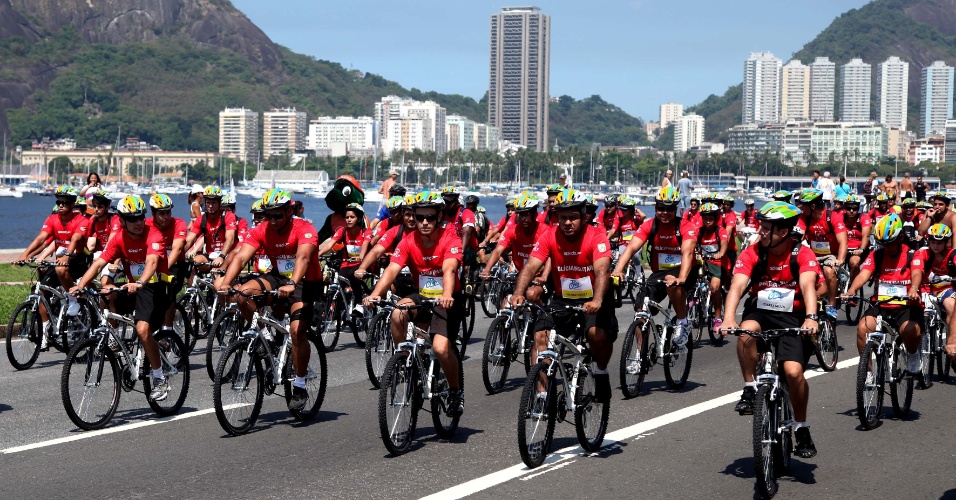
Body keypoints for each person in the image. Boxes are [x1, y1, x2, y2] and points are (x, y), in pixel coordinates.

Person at [720, 201, 819, 459]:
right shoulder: (752, 252)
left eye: (765, 228)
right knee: (745, 331)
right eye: (760, 227)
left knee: (793, 372)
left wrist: (810, 317)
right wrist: (728, 317)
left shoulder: (802, 254)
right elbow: (738, 286)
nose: (759, 232)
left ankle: (801, 427)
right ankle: (750, 387)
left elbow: (808, 286)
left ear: (783, 232)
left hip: (793, 316)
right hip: (761, 312)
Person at [217, 189, 322, 411]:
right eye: (269, 216)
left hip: (304, 282)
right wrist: (226, 282)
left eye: (278, 216)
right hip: (277, 277)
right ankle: (266, 338)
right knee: (242, 294)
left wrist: (293, 283)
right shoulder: (261, 229)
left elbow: (303, 257)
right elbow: (241, 256)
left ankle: (300, 385)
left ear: (289, 211)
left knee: (296, 332)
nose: (272, 221)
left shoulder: (305, 229)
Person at [364, 190, 465, 416]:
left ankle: (455, 390)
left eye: (430, 217)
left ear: (439, 216)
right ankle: (405, 361)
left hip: (448, 298)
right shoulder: (409, 240)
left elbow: (449, 268)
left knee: (440, 348)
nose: (424, 222)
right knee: (397, 313)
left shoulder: (451, 237)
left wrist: (447, 294)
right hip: (424, 294)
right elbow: (392, 268)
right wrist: (376, 293)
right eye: (420, 218)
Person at [510, 188, 616, 402]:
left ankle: (602, 371)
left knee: (595, 334)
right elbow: (530, 266)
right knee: (540, 336)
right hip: (563, 298)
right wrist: (518, 293)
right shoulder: (550, 235)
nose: (567, 222)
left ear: (584, 215)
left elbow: (602, 270)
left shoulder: (597, 236)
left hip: (595, 298)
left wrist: (596, 300)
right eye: (563, 217)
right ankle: (541, 395)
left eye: (573, 217)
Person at [70, 195, 173, 402]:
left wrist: (141, 282)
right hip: (133, 287)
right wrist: (80, 285)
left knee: (142, 330)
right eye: (132, 219)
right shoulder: (118, 238)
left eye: (140, 218)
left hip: (156, 287)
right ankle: (115, 337)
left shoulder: (154, 235)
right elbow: (99, 264)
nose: (138, 222)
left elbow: (152, 263)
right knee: (107, 293)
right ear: (123, 221)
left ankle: (160, 378)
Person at [612, 187, 698, 346]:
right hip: (660, 272)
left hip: (685, 270)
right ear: (655, 208)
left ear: (676, 208)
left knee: (671, 280)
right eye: (661, 208)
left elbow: (688, 253)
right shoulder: (649, 225)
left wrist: (682, 278)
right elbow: (631, 248)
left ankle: (682, 321)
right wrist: (618, 270)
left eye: (670, 208)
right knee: (641, 310)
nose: (665, 212)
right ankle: (639, 354)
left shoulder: (686, 226)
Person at [845, 214, 924, 376]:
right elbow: (864, 274)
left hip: (906, 306)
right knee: (862, 328)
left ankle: (913, 354)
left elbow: (917, 273)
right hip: (881, 305)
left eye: (890, 243)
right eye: (883, 244)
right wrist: (852, 290)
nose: (887, 248)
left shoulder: (912, 254)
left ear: (901, 237)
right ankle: (866, 373)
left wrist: (914, 288)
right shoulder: (877, 254)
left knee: (910, 331)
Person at [14, 186, 88, 349]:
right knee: (41, 291)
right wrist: (24, 255)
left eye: (65, 202)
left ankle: (73, 298)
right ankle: (46, 329)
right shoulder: (52, 219)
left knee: (61, 269)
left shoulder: (81, 220)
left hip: (77, 260)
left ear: (73, 204)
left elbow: (75, 240)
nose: (61, 205)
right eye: (58, 202)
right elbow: (42, 238)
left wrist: (67, 256)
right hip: (61, 260)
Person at [481, 194, 549, 306]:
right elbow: (498, 251)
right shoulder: (513, 231)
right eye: (521, 214)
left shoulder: (545, 231)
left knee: (531, 295)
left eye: (527, 214)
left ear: (535, 214)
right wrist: (487, 269)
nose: (523, 218)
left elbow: (551, 257)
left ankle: (543, 317)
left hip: (539, 275)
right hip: (521, 274)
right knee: (505, 306)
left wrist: (544, 276)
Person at [795, 189, 847, 319]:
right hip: (813, 254)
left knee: (829, 271)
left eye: (803, 205)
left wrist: (840, 260)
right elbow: (798, 238)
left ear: (813, 206)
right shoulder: (804, 218)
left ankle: (832, 305)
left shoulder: (832, 216)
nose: (800, 207)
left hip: (832, 255)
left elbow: (843, 242)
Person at [316, 203, 369, 315]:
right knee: (340, 281)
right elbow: (330, 245)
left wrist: (361, 257)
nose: (349, 220)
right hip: (346, 263)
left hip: (360, 264)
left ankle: (359, 304)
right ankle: (339, 310)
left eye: (352, 217)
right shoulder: (342, 231)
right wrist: (318, 254)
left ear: (359, 219)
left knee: (353, 276)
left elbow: (365, 245)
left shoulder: (365, 232)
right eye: (347, 217)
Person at [911, 224, 956, 353]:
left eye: (939, 243)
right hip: (925, 289)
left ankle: (952, 339)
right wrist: (914, 287)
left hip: (946, 290)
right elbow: (917, 269)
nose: (935, 246)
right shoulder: (923, 253)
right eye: (932, 242)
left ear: (946, 242)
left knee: (951, 304)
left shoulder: (952, 255)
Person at [183, 186, 237, 273]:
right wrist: (180, 253)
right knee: (194, 263)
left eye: (213, 203)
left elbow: (230, 238)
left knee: (218, 277)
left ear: (220, 202)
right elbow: (189, 240)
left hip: (226, 255)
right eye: (208, 203)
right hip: (209, 255)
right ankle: (192, 286)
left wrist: (222, 256)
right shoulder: (201, 219)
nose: (210, 206)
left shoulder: (228, 216)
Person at [697, 203, 730, 335]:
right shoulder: (699, 231)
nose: (708, 221)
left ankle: (717, 317)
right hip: (704, 262)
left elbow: (724, 243)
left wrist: (721, 252)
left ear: (715, 218)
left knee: (715, 287)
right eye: (705, 218)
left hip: (718, 263)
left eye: (711, 218)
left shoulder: (720, 230)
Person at [841, 195, 871, 286]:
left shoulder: (864, 218)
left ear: (858, 208)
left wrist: (861, 249)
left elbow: (866, 236)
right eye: (848, 208)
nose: (851, 211)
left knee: (854, 263)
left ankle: (852, 288)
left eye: (854, 209)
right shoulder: (840, 217)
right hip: (842, 249)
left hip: (857, 250)